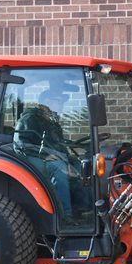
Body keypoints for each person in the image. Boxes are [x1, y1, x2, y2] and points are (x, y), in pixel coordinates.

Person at [15, 89, 91, 224]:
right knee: (58, 166)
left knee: (83, 166)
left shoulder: (52, 123)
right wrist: (45, 155)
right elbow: (20, 144)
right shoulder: (30, 118)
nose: (61, 106)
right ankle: (64, 215)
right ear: (46, 102)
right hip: (31, 160)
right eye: (59, 102)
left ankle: (82, 209)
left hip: (51, 157)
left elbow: (59, 145)